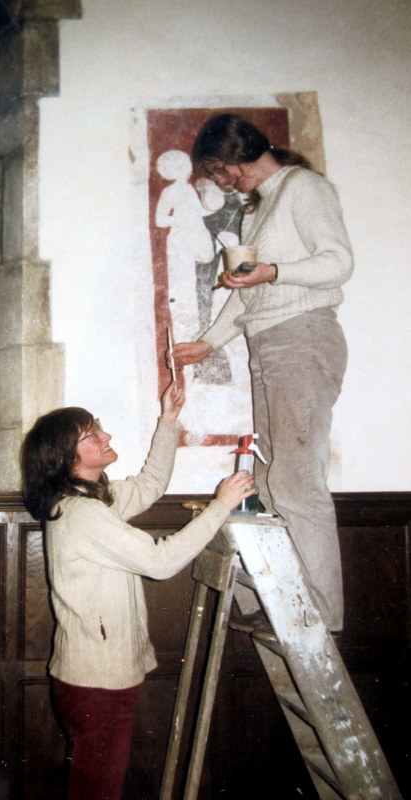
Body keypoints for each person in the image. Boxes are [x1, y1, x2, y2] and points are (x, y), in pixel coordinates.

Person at [20, 381, 255, 800]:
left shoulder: (89, 500)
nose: (106, 436)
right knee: (97, 792)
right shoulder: (83, 514)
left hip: (94, 676)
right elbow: (161, 562)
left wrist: (168, 421)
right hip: (97, 682)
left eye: (99, 428)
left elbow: (149, 485)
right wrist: (220, 506)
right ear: (66, 458)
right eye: (91, 435)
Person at [171, 113, 353, 633]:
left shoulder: (304, 188)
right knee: (276, 483)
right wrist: (203, 345)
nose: (226, 183)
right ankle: (292, 607)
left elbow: (338, 262)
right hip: (269, 344)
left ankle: (319, 618)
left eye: (223, 171)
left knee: (296, 483)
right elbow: (245, 298)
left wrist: (275, 271)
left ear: (241, 152)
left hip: (303, 336)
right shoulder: (257, 215)